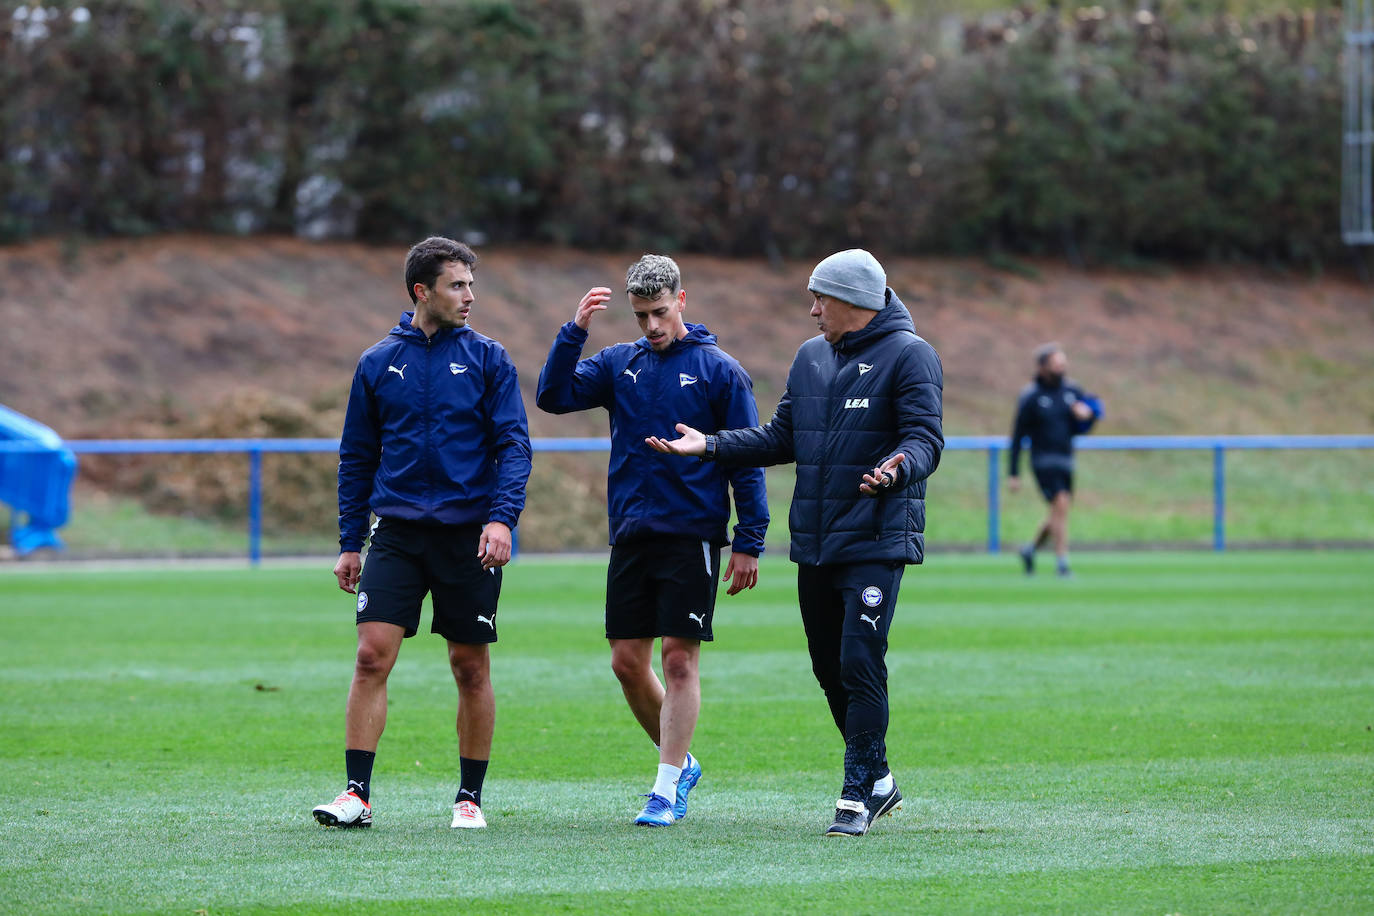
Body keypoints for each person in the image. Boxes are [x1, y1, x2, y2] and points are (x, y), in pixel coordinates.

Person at [646, 249, 943, 838]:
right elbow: (781, 437)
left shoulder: (911, 356)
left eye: (820, 299)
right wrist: (709, 445)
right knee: (828, 668)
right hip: (815, 542)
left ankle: (856, 794)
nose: (811, 311)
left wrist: (895, 468)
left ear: (854, 300)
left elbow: (925, 439)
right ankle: (880, 778)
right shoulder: (811, 358)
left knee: (861, 661)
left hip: (876, 540)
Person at [536, 254, 769, 828]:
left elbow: (749, 456)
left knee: (679, 659)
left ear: (681, 300)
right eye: (641, 316)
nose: (652, 326)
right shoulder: (621, 363)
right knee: (625, 661)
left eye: (660, 313)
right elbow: (553, 395)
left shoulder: (721, 371)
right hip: (633, 533)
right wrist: (575, 332)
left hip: (691, 534)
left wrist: (750, 538)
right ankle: (682, 762)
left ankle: (664, 789)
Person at [312, 237, 532, 831]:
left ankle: (469, 799)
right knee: (369, 656)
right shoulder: (378, 362)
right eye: (457, 284)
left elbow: (514, 446)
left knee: (469, 666)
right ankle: (356, 793)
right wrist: (349, 542)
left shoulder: (490, 359)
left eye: (470, 284)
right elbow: (356, 456)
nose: (469, 296)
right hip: (398, 535)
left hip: (469, 538)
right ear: (422, 291)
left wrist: (500, 518)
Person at [1007, 343, 1101, 578]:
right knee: (1060, 503)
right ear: (1043, 367)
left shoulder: (1072, 391)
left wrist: (1088, 417)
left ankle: (1030, 550)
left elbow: (1084, 427)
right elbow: (1018, 436)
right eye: (1056, 363)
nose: (1062, 367)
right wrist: (1014, 473)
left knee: (1059, 510)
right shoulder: (1031, 396)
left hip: (1066, 458)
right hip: (1042, 460)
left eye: (1063, 363)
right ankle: (1062, 562)